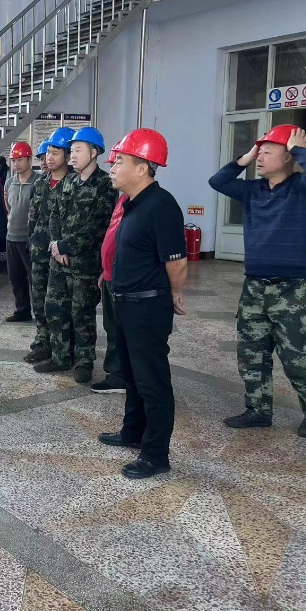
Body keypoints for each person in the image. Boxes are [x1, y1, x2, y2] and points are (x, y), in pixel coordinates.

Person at [209, 125, 306, 438]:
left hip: (294, 288)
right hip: (255, 286)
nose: (259, 157)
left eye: (266, 151)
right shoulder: (253, 190)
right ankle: (258, 410)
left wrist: (298, 148)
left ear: (288, 156)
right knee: (252, 354)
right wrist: (246, 157)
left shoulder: (305, 187)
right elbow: (218, 181)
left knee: (299, 358)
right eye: (258, 151)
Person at [98, 128, 187, 480]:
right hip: (124, 303)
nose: (113, 167)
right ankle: (132, 431)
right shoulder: (131, 203)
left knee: (152, 381)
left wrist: (174, 292)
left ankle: (155, 455)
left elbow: (176, 263)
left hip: (147, 307)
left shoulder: (161, 205)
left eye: (119, 161)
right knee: (132, 375)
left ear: (142, 167)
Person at [40, 127, 117, 382]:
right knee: (55, 308)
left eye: (77, 150)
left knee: (81, 314)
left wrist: (66, 246)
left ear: (94, 152)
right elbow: (53, 215)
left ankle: (84, 362)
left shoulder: (105, 184)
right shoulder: (68, 182)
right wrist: (56, 245)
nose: (72, 155)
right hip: (59, 260)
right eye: (71, 150)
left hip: (85, 264)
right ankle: (60, 356)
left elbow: (98, 225)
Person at [24, 126, 74, 364]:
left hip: (63, 254)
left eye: (55, 153)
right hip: (40, 252)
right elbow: (32, 218)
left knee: (61, 304)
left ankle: (64, 346)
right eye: (47, 154)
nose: (48, 159)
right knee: (39, 300)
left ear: (67, 155)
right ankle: (42, 342)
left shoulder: (75, 183)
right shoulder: (41, 183)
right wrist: (32, 242)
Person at [92, 144, 129, 395]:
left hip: (124, 280)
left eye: (117, 164)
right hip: (110, 275)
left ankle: (121, 376)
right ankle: (117, 372)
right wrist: (105, 271)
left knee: (120, 329)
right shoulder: (124, 199)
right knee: (112, 327)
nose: (112, 170)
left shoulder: (144, 204)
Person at [4, 141, 38, 322]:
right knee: (15, 278)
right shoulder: (9, 183)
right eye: (13, 160)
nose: (16, 164)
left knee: (35, 278)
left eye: (20, 159)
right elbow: (8, 208)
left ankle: (41, 314)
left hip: (30, 239)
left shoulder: (38, 182)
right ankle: (22, 310)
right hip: (11, 237)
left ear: (29, 160)